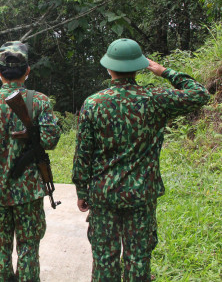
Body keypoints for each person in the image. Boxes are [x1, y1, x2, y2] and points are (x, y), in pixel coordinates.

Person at [72, 38, 210, 281]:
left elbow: (83, 154)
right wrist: (164, 71)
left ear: (108, 67)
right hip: (141, 193)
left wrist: (82, 191)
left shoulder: (93, 104)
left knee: (104, 258)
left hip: (104, 195)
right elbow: (199, 94)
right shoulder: (156, 98)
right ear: (139, 67)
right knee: (138, 257)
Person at [0, 41, 61, 281]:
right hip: (29, 192)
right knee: (28, 248)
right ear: (27, 71)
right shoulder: (39, 101)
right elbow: (51, 141)